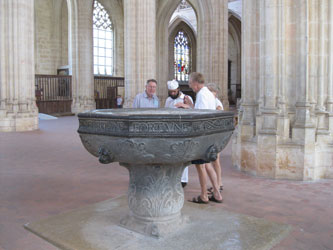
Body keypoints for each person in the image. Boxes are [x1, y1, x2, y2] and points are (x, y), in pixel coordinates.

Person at [176, 72, 223, 204]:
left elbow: (200, 117)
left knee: (201, 167)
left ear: (195, 83)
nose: (190, 86)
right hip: (209, 134)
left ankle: (203, 195)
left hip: (201, 137)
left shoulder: (201, 94)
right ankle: (217, 193)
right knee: (208, 165)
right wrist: (190, 106)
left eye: (190, 83)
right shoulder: (208, 92)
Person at [164, 80, 193, 188]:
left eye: (174, 92)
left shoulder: (187, 98)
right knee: (171, 155)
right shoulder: (168, 100)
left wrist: (186, 106)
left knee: (183, 155)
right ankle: (171, 178)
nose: (172, 94)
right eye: (170, 92)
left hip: (184, 130)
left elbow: (194, 111)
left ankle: (183, 180)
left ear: (178, 90)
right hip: (171, 131)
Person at [205, 83, 224, 194]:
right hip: (215, 134)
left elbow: (217, 115)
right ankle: (218, 184)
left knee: (215, 161)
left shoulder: (217, 103)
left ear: (214, 93)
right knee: (215, 161)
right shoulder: (211, 102)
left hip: (216, 135)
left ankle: (218, 184)